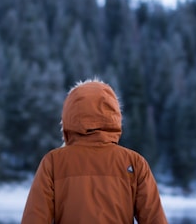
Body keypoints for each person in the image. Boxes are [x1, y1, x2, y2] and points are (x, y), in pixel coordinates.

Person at [21, 78, 168, 224]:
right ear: (114, 115)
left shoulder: (53, 162)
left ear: (68, 116)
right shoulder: (134, 162)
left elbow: (34, 219)